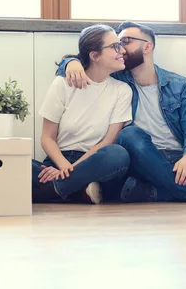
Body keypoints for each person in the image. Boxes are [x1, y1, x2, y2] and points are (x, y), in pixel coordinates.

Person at [56, 21, 186, 203]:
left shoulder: (180, 85)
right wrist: (70, 62)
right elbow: (86, 64)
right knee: (129, 134)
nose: (120, 49)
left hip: (178, 159)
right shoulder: (116, 79)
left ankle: (152, 192)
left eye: (125, 42)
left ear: (147, 47)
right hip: (140, 161)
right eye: (117, 45)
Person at [32, 24, 133, 205]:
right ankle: (77, 190)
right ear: (94, 56)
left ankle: (50, 191)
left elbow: (107, 142)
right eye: (115, 46)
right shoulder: (62, 83)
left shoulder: (122, 90)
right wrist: (64, 167)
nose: (122, 50)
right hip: (59, 159)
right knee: (16, 163)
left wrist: (71, 171)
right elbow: (47, 138)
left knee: (118, 155)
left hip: (94, 162)